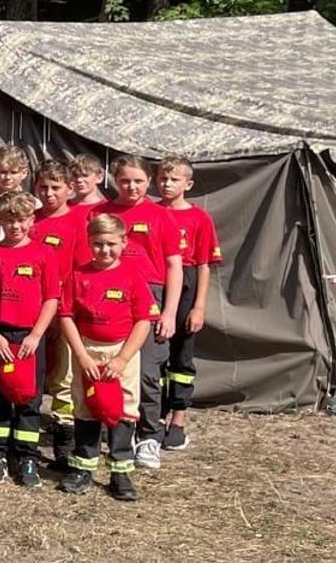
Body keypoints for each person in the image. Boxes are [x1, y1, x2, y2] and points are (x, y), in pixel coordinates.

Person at [93, 155, 182, 471]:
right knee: (108, 368)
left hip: (150, 297)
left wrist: (169, 312)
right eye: (125, 180)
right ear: (114, 180)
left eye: (138, 181)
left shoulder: (161, 216)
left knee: (147, 372)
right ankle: (115, 430)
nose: (131, 186)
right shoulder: (98, 213)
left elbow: (174, 266)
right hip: (106, 297)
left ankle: (149, 437)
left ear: (149, 182)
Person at [55, 213, 151, 501]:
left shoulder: (133, 276)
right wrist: (82, 355)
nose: (104, 251)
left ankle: (120, 472)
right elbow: (66, 316)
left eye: (111, 244)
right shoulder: (77, 275)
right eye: (97, 244)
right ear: (88, 243)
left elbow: (143, 320)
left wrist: (122, 358)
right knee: (85, 406)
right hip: (87, 351)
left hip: (122, 351)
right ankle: (83, 467)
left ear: (123, 242)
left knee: (123, 408)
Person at [0, 191, 61, 487]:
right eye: (9, 220)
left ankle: (27, 456)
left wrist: (36, 335)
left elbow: (51, 298)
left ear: (31, 220)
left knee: (29, 399)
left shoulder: (44, 253)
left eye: (21, 220)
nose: (16, 227)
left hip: (29, 339)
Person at [155, 154, 219, 451]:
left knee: (181, 355)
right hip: (157, 282)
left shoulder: (199, 218)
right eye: (163, 179)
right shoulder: (151, 212)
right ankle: (153, 416)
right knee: (154, 355)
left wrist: (198, 306)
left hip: (188, 284)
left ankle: (178, 418)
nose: (167, 184)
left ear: (188, 184)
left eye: (174, 179)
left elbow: (205, 265)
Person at [31, 159, 87, 470]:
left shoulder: (79, 223)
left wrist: (60, 313)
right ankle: (23, 434)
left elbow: (81, 273)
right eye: (43, 187)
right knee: (32, 375)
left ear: (69, 188)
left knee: (65, 377)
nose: (49, 193)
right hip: (28, 311)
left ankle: (64, 441)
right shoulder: (30, 219)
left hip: (64, 313)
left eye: (55, 187)